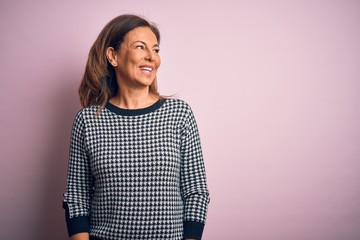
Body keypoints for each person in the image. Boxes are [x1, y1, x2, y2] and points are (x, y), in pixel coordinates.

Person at [63, 14, 210, 240]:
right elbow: (76, 196)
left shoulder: (179, 114)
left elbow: (196, 192)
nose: (152, 57)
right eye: (141, 47)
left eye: (156, 50)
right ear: (113, 56)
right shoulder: (88, 120)